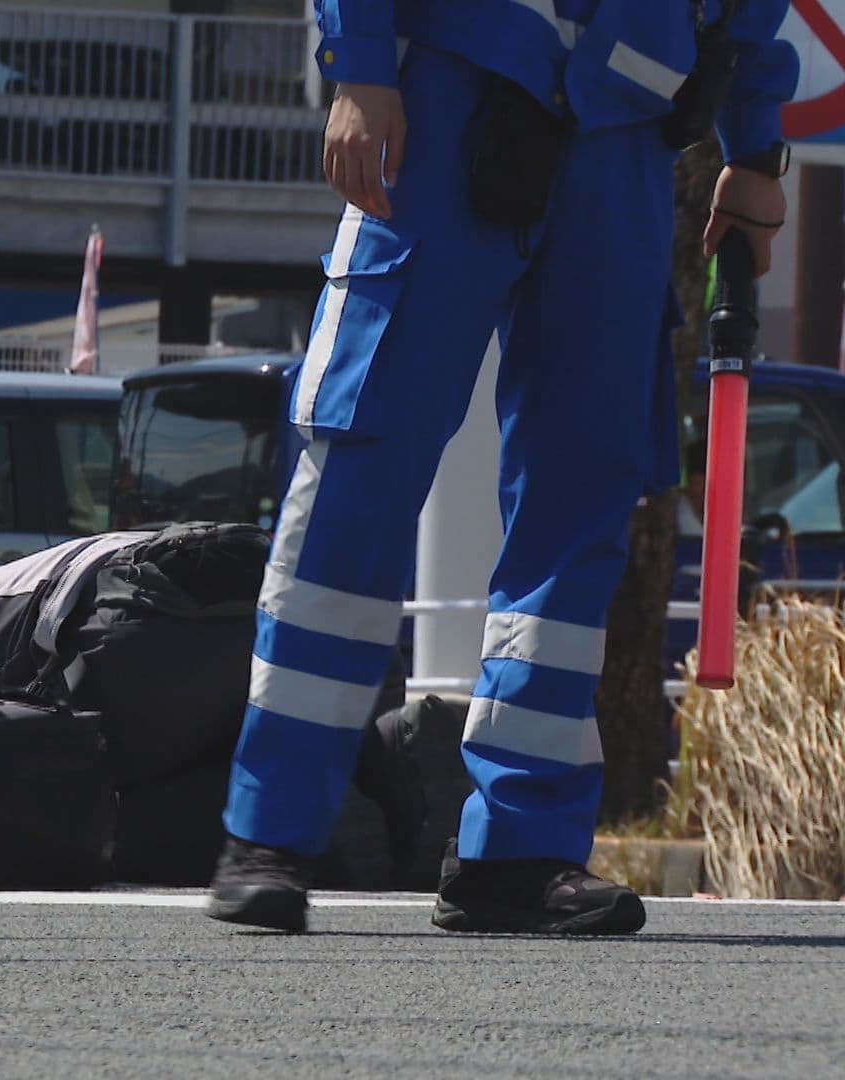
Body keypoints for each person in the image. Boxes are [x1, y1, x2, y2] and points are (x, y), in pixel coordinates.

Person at [208, 1, 797, 934]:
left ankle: (520, 850)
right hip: (453, 89)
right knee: (362, 460)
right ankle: (270, 832)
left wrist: (755, 151)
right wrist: (360, 67)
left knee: (582, 500)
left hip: (626, 129)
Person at [0, 523, 426, 887]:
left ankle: (337, 825)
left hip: (132, 630)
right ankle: (384, 764)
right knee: (248, 752)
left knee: (93, 814)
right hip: (239, 585)